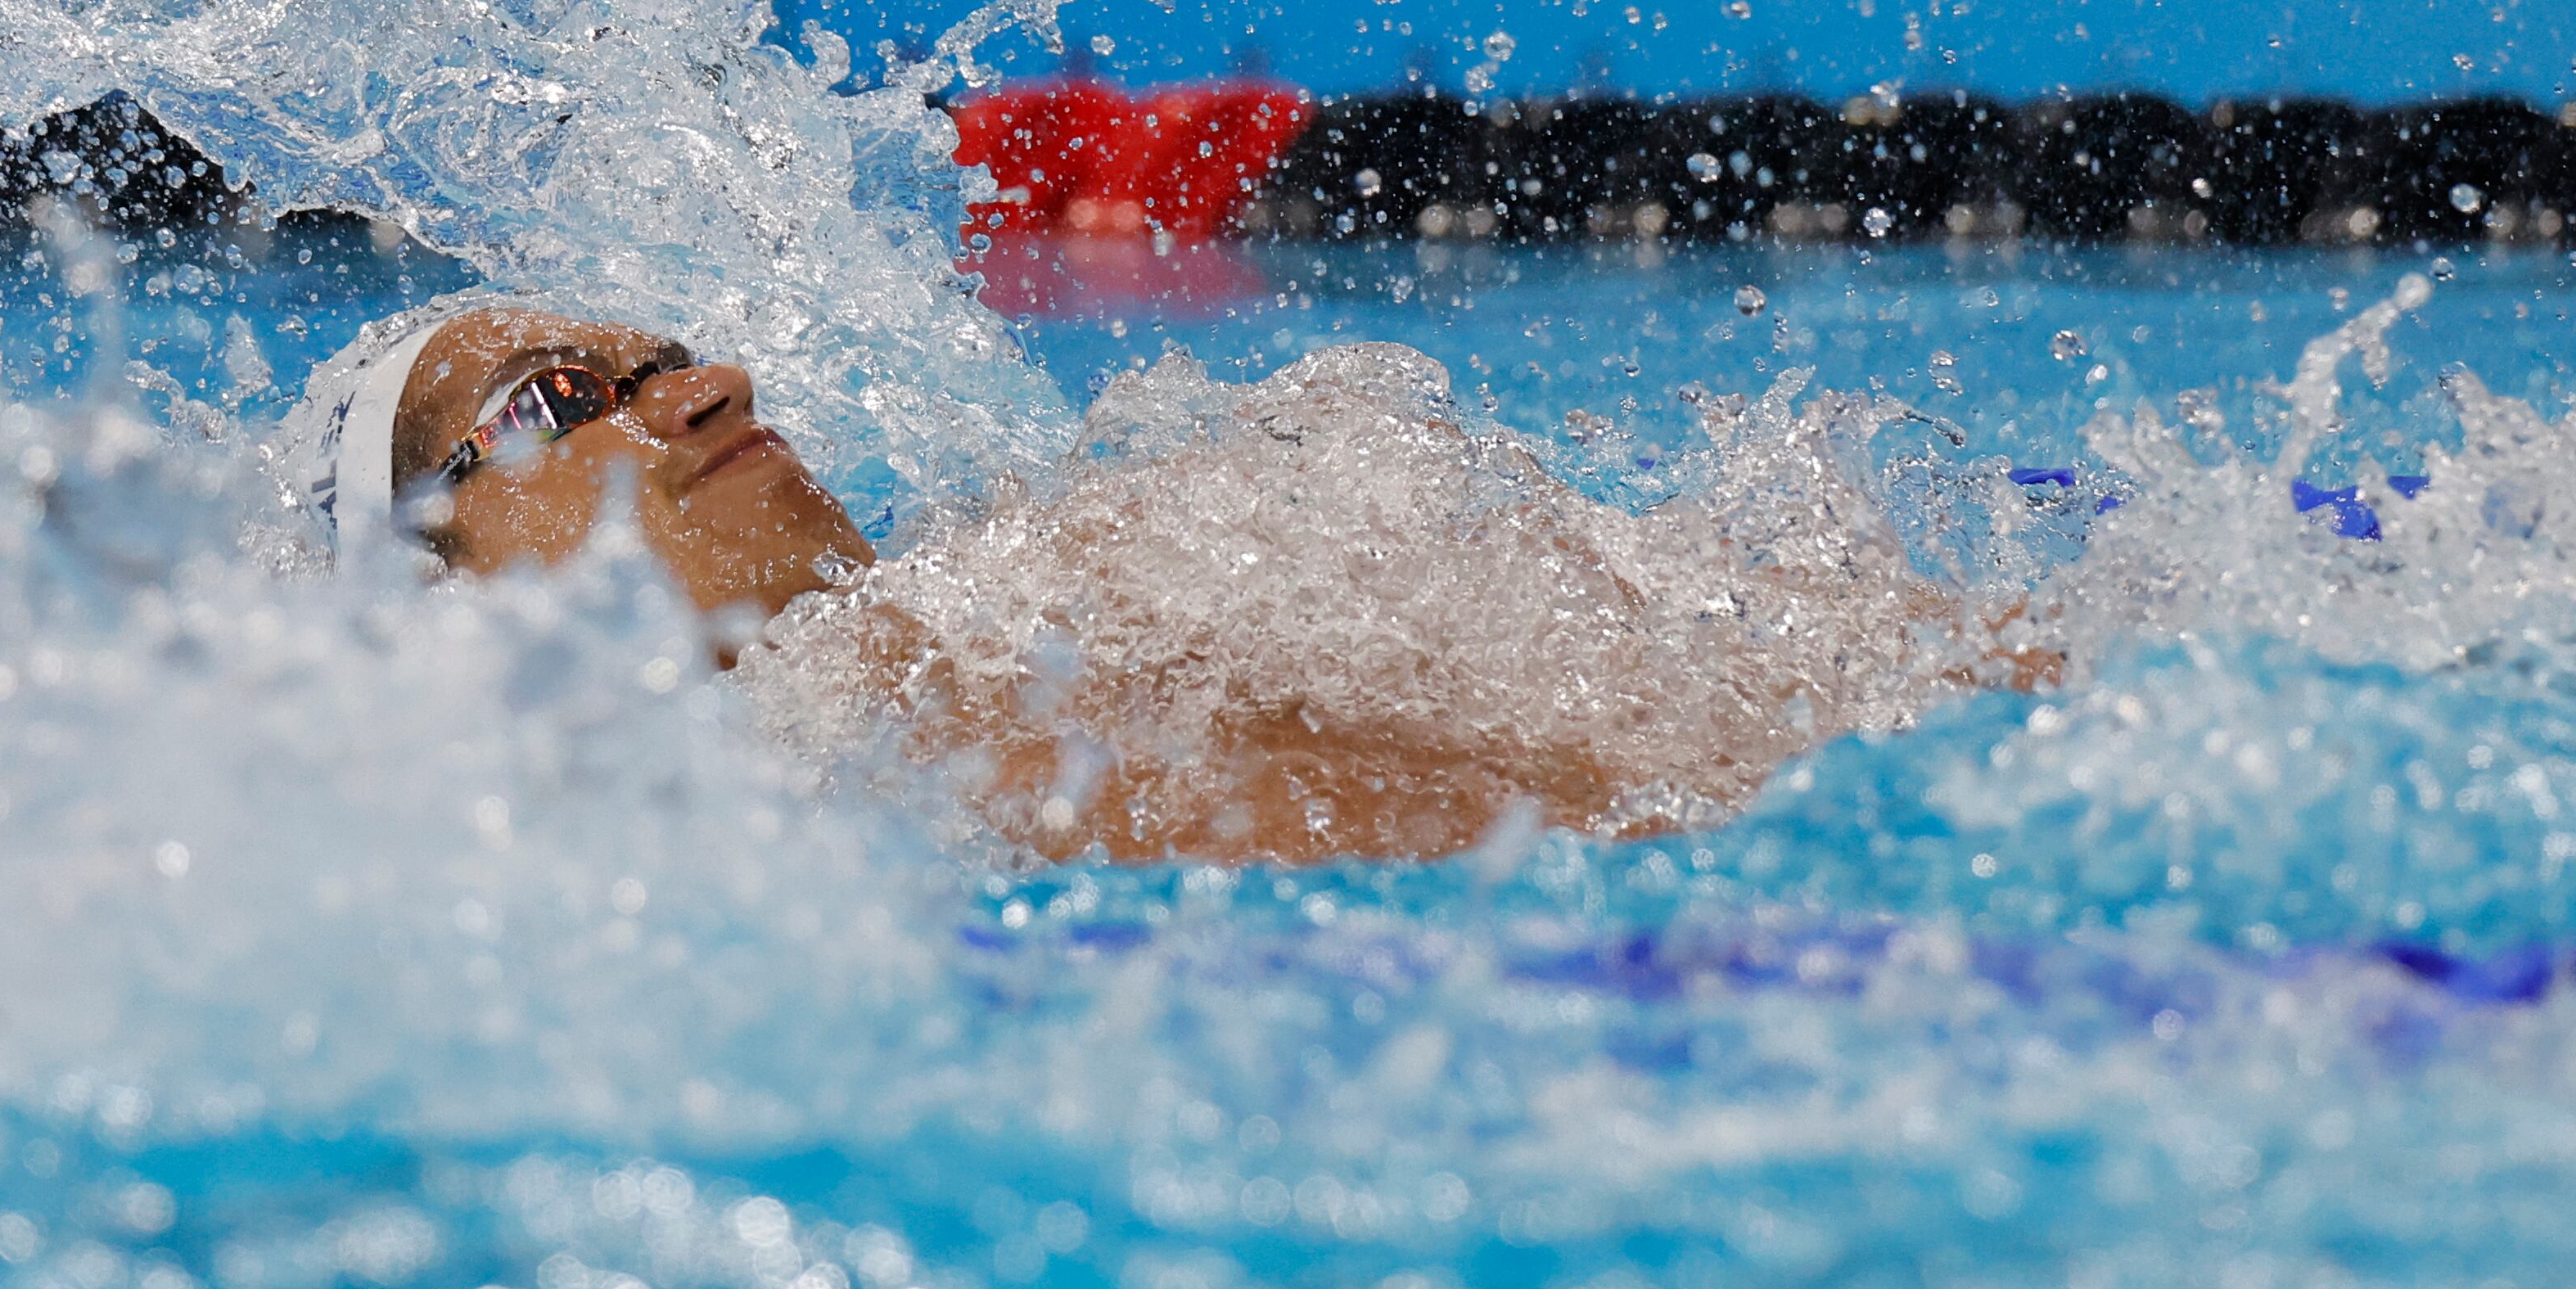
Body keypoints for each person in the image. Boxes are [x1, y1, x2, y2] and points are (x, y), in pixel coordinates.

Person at [313, 303, 2054, 865]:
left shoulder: (1032, 596)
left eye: (675, 354)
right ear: (434, 588)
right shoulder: (859, 794)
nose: (710, 390)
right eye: (558, 400)